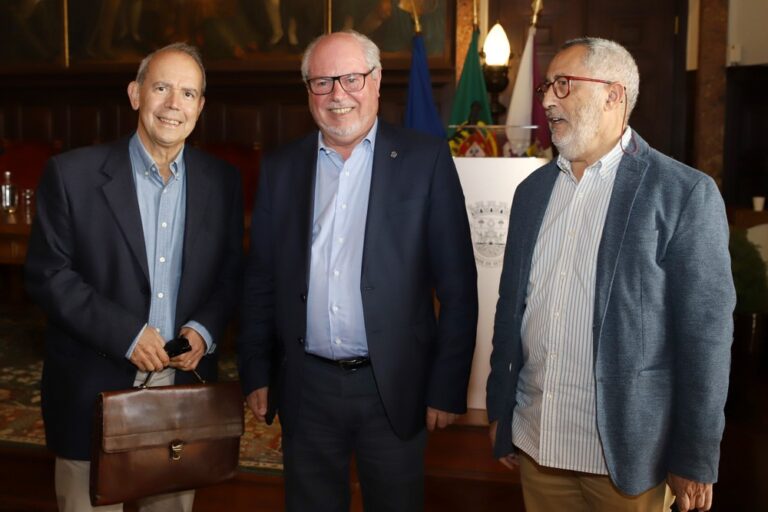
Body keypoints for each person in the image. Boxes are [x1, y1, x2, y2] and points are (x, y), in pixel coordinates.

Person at [486, 37, 735, 512]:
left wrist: (695, 455)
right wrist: (501, 408)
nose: (547, 101)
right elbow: (510, 311)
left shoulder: (683, 194)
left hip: (628, 458)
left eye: (564, 86)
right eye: (546, 88)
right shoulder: (531, 192)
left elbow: (705, 339)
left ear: (614, 95)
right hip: (538, 445)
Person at [238, 30, 478, 512]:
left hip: (393, 386)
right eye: (323, 82)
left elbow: (458, 286)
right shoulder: (282, 167)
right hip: (306, 387)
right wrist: (256, 371)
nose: (338, 94)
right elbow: (261, 278)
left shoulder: (424, 161)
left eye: (351, 78)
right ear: (308, 91)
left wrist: (448, 387)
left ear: (376, 81)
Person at [24, 42, 243, 512]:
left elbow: (230, 273)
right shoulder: (72, 175)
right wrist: (126, 334)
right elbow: (50, 275)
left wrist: (204, 330)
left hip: (181, 391)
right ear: (135, 94)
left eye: (188, 93)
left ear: (201, 107)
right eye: (161, 87)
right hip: (93, 388)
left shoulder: (222, 181)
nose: (173, 104)